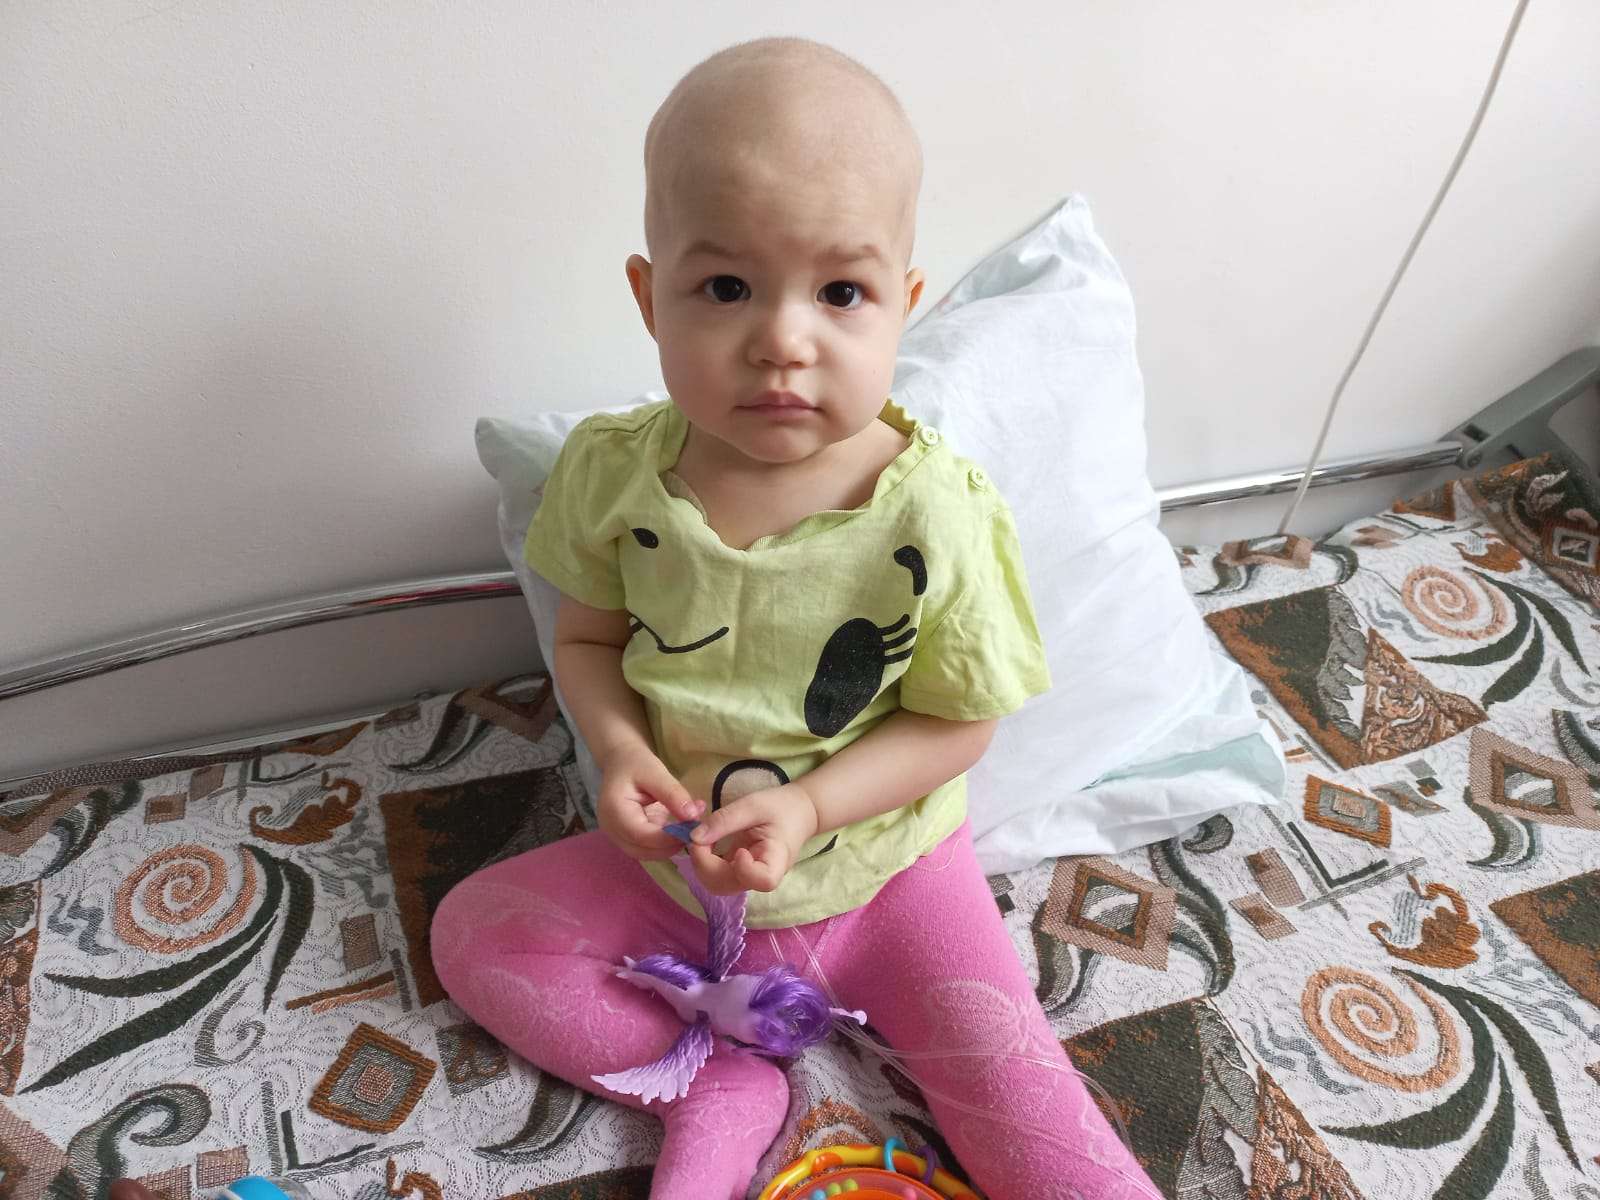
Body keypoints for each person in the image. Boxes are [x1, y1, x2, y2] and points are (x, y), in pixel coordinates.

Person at [432, 36, 1159, 1200]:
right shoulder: (612, 473)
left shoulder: (934, 511)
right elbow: (588, 641)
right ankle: (711, 1090)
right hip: (672, 880)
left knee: (1040, 1124)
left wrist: (811, 805)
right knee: (475, 934)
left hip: (890, 883)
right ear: (649, 298)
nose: (782, 339)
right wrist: (619, 754)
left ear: (902, 308)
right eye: (726, 288)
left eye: (840, 293)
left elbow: (959, 724)